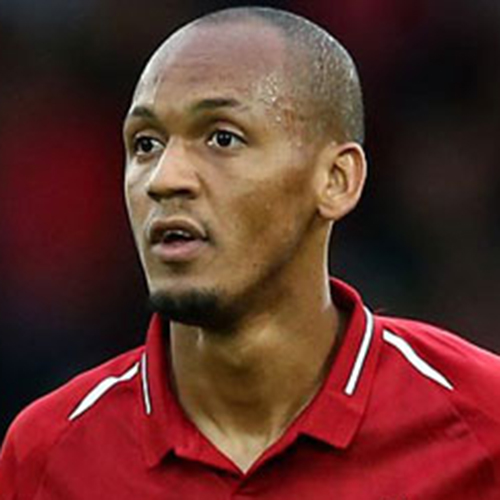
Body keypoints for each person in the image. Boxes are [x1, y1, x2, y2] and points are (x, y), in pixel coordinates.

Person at [1, 6, 500, 499]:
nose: (164, 179)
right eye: (146, 144)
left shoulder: (484, 423)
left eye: (222, 138)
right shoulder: (49, 453)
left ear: (336, 180)